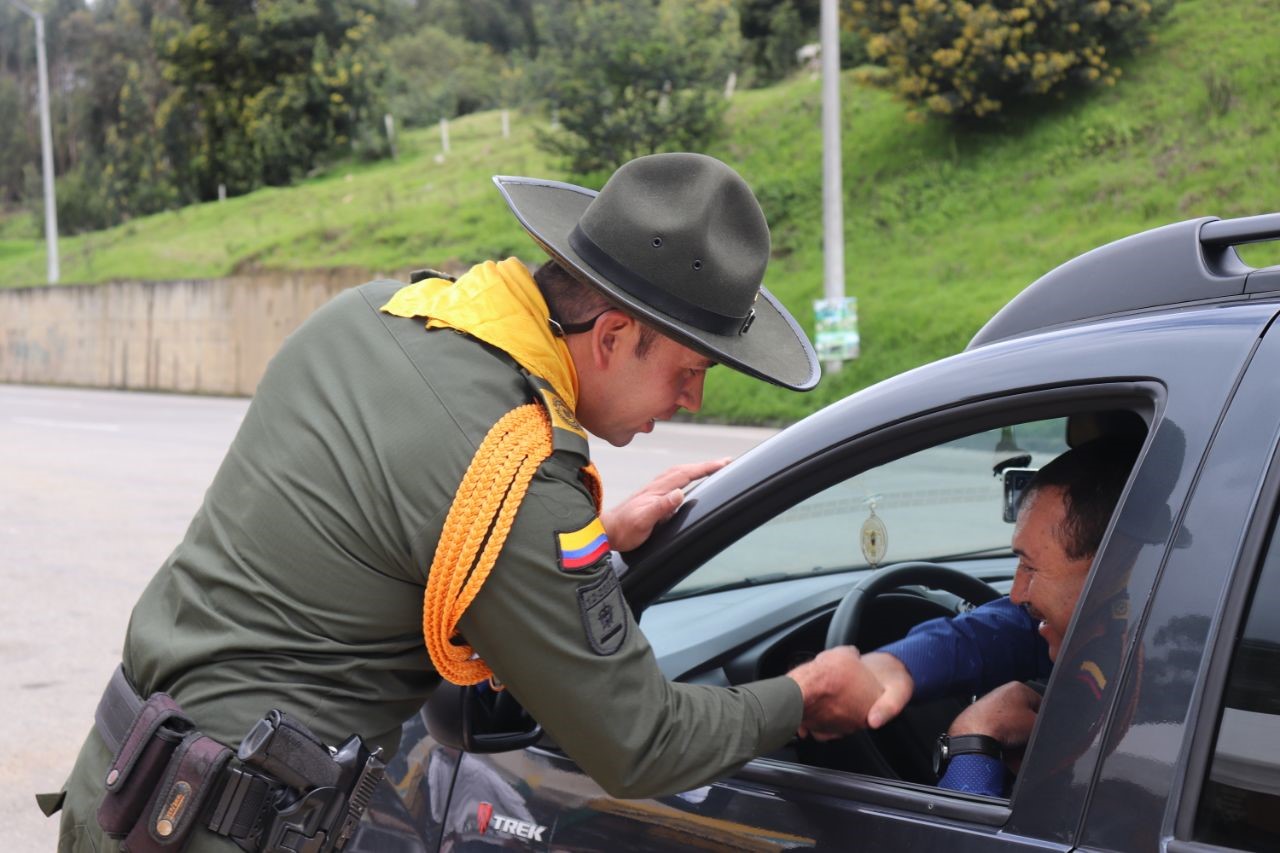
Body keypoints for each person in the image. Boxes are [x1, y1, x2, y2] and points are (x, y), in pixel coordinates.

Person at [45, 152, 880, 852]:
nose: (692, 398)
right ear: (614, 335)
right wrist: (806, 692)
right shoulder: (518, 472)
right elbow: (641, 741)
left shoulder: (371, 315)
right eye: (689, 370)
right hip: (224, 827)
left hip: (115, 786)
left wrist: (588, 540)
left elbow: (386, 533)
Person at [800, 435, 1142, 796]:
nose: (1016, 593)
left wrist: (974, 740)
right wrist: (895, 667)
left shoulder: (1147, 696)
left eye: (1030, 567)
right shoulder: (1121, 618)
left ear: (1111, 566)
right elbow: (1009, 630)